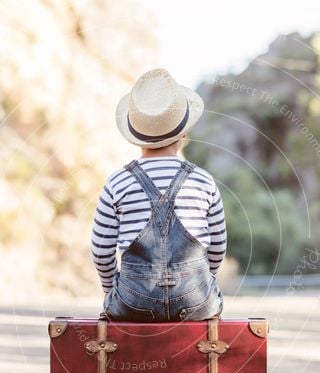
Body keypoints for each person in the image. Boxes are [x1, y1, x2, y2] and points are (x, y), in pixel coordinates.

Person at [90, 68, 227, 322]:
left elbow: (101, 251)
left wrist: (112, 292)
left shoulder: (117, 182)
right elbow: (217, 249)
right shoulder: (204, 181)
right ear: (184, 133)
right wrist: (200, 286)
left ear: (135, 137)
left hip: (132, 302)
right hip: (196, 301)